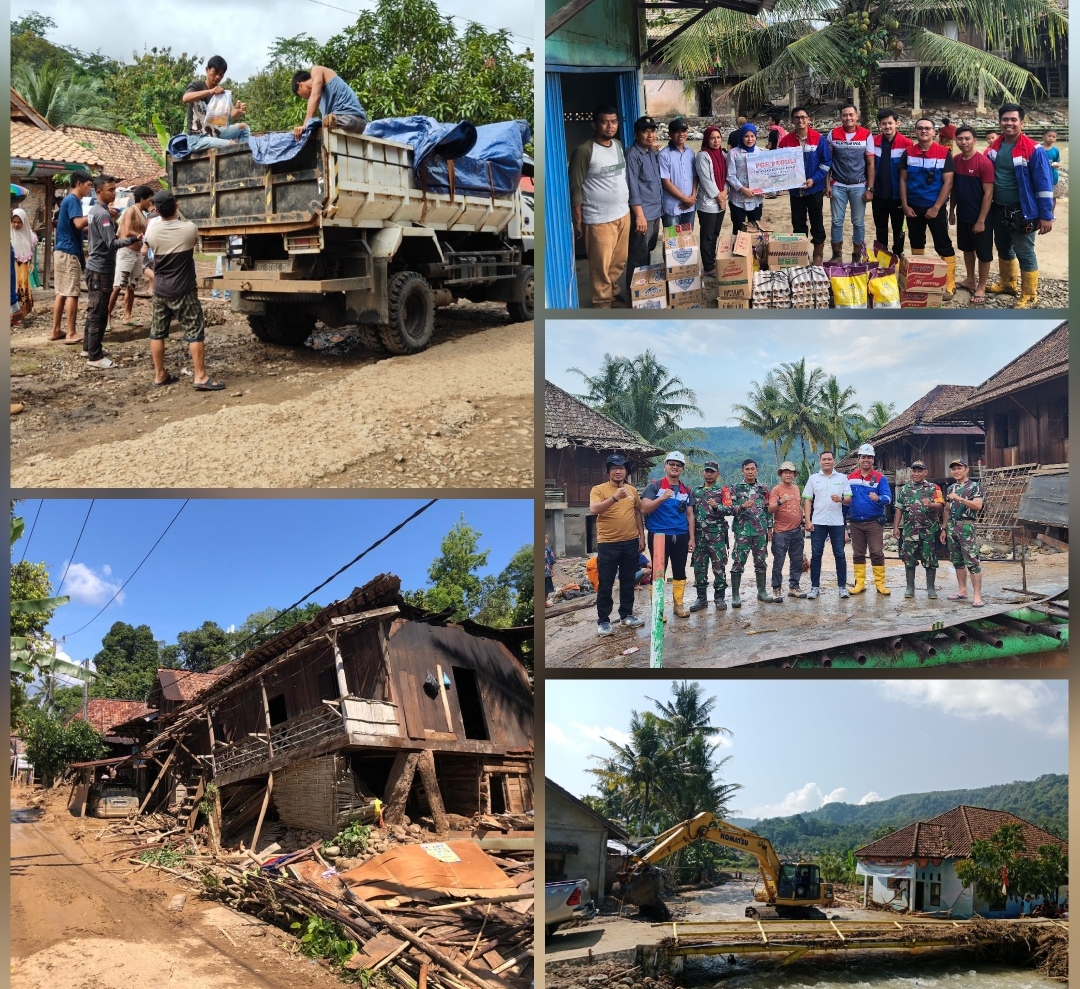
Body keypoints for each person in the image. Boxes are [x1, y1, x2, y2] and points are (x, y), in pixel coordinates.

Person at [144, 189, 225, 391]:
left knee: (157, 333)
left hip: (161, 289)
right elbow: (193, 241)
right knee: (195, 332)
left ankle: (159, 374)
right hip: (184, 289)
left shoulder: (152, 232)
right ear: (176, 206)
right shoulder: (189, 229)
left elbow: (147, 247)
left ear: (156, 210)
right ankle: (200, 376)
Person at [986, 103, 1055, 308]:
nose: (1009, 123)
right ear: (999, 122)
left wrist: (1046, 215)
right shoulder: (995, 146)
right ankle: (1008, 283)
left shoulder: (1033, 149)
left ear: (1021, 122)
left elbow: (1044, 183)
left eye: (1013, 119)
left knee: (1025, 251)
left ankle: (1030, 294)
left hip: (1023, 209)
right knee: (1003, 247)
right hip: (998, 207)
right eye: (1005, 119)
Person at [569, 106, 630, 309]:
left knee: (618, 262)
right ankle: (602, 304)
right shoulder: (585, 151)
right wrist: (578, 220)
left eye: (613, 121)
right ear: (594, 124)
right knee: (600, 266)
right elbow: (575, 188)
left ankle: (612, 294)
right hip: (598, 219)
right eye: (605, 121)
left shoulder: (618, 145)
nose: (610, 126)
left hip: (623, 214)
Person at [83, 175, 142, 368]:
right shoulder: (102, 214)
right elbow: (112, 243)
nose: (114, 193)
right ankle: (95, 356)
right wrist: (134, 240)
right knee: (98, 311)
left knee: (94, 309)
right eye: (110, 190)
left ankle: (89, 348)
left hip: (96, 266)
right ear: (98, 191)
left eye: (115, 190)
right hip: (101, 269)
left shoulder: (96, 211)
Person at [589, 454, 646, 636]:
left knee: (628, 581)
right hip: (608, 544)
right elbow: (594, 509)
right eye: (614, 468)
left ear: (626, 471)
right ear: (608, 471)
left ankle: (626, 615)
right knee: (605, 583)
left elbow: (638, 512)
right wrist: (614, 497)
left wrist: (641, 537)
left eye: (621, 468)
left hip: (630, 543)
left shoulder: (632, 490)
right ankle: (604, 621)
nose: (618, 471)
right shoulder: (598, 490)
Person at [899, 117, 957, 300]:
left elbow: (948, 183)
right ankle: (919, 279)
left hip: (935, 206)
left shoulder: (944, 152)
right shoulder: (908, 153)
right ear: (915, 131)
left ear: (934, 132)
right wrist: (905, 206)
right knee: (916, 241)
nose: (924, 131)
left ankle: (949, 284)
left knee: (943, 244)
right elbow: (903, 179)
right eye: (920, 128)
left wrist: (937, 207)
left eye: (928, 128)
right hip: (914, 207)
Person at [641, 452, 697, 619]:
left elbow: (690, 515)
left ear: (682, 469)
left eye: (678, 465)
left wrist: (692, 538)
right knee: (658, 572)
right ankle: (658, 609)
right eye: (671, 464)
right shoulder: (654, 486)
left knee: (680, 570)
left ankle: (678, 605)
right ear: (665, 466)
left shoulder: (686, 490)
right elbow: (644, 509)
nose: (675, 467)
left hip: (680, 535)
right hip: (658, 535)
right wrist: (662, 498)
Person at [949, 126, 995, 304]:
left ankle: (981, 286)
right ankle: (970, 279)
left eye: (967, 139)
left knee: (983, 253)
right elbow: (954, 188)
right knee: (967, 249)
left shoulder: (984, 163)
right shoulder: (956, 160)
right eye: (960, 139)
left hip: (980, 217)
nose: (963, 142)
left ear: (975, 140)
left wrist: (981, 220)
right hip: (963, 214)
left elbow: (988, 194)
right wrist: (952, 210)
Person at [779, 108, 831, 266]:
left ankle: (818, 255)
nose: (800, 120)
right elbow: (778, 164)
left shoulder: (819, 139)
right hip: (795, 192)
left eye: (803, 117)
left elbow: (826, 163)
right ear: (792, 121)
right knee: (798, 223)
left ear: (809, 119)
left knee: (817, 222)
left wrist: (814, 180)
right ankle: (801, 255)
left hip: (814, 189)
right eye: (796, 118)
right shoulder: (785, 141)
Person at [826, 104, 875, 261]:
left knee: (858, 222)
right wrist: (827, 184)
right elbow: (828, 161)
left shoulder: (866, 135)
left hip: (859, 186)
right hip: (838, 185)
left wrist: (870, 188)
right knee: (837, 221)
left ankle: (856, 255)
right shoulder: (833, 134)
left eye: (851, 115)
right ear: (841, 117)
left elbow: (871, 163)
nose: (848, 118)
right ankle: (837, 255)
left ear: (857, 116)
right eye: (845, 115)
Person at [50, 170, 93, 343]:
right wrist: (95, 213)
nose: (90, 189)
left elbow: (77, 227)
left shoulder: (68, 200)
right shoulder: (73, 200)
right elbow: (78, 223)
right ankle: (71, 333)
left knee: (61, 292)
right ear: (79, 184)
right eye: (89, 185)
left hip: (61, 250)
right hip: (68, 252)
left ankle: (56, 331)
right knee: (72, 293)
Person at [803, 451, 853, 599]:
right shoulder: (813, 479)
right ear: (820, 461)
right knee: (816, 555)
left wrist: (841, 499)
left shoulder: (842, 478)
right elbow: (807, 500)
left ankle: (842, 587)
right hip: (818, 522)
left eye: (829, 459)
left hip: (836, 522)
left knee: (840, 554)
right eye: (824, 459)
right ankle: (814, 587)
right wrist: (807, 520)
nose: (827, 461)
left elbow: (849, 499)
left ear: (833, 461)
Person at [892, 460, 944, 599]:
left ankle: (931, 588)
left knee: (930, 559)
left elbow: (941, 506)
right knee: (909, 559)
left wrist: (931, 505)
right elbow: (899, 508)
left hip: (928, 531)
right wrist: (896, 527)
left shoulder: (934, 488)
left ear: (925, 472)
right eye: (914, 471)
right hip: (910, 531)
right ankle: (910, 587)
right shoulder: (904, 489)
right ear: (911, 473)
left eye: (919, 471)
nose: (916, 473)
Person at [846, 443, 892, 595]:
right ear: (858, 459)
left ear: (873, 460)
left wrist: (878, 498)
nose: (866, 460)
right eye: (863, 457)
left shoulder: (880, 478)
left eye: (869, 457)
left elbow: (888, 498)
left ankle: (880, 584)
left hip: (874, 521)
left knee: (877, 552)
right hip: (855, 522)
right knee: (858, 553)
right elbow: (846, 500)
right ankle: (860, 583)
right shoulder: (850, 478)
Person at [625, 116, 664, 292]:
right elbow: (632, 187)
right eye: (645, 131)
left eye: (653, 131)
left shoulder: (650, 153)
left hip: (656, 211)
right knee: (638, 254)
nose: (650, 135)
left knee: (648, 249)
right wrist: (639, 215)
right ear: (635, 134)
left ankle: (644, 286)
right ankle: (635, 292)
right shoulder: (633, 155)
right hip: (644, 213)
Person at [729, 459, 774, 607]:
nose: (750, 471)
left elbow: (768, 510)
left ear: (757, 470)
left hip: (760, 531)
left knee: (761, 562)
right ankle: (735, 595)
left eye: (752, 469)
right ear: (742, 471)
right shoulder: (735, 488)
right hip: (742, 531)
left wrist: (769, 528)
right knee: (738, 562)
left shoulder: (763, 488)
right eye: (747, 469)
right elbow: (730, 509)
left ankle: (762, 592)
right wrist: (742, 506)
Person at [689, 460, 733, 612]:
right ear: (703, 472)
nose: (709, 474)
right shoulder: (695, 491)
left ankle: (719, 598)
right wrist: (691, 538)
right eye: (707, 471)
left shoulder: (723, 491)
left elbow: (730, 510)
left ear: (717, 474)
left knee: (719, 568)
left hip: (717, 537)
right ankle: (701, 599)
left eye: (712, 471)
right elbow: (690, 514)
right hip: (699, 537)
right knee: (699, 569)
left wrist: (717, 506)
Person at [940, 457, 984, 607]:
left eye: (959, 468)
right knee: (957, 561)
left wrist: (959, 499)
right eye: (954, 469)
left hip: (966, 526)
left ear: (966, 469)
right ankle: (962, 590)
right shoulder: (951, 488)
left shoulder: (974, 486)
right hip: (952, 527)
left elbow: (978, 506)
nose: (956, 471)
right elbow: (946, 509)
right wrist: (944, 528)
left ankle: (977, 595)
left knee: (972, 562)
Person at [107, 185, 153, 328]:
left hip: (136, 253)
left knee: (131, 286)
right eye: (149, 201)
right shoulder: (130, 212)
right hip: (126, 252)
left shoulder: (141, 213)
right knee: (118, 286)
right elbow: (126, 232)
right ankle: (106, 318)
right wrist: (140, 236)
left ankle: (127, 316)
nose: (150, 204)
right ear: (142, 199)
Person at [183, 55, 249, 152]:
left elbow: (233, 114)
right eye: (215, 73)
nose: (218, 77)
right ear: (207, 70)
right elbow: (185, 98)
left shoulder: (221, 93)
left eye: (221, 74)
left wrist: (238, 110)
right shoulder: (197, 85)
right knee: (232, 145)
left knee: (244, 128)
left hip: (214, 133)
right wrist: (211, 91)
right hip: (197, 138)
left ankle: (244, 156)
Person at [871, 108, 914, 255]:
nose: (887, 127)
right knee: (880, 227)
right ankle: (882, 255)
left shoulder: (907, 144)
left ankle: (897, 253)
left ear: (897, 123)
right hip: (878, 194)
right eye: (884, 124)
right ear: (879, 125)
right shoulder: (873, 142)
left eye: (890, 123)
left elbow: (910, 172)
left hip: (898, 196)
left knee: (899, 228)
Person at [291, 66, 368, 139]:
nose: (305, 98)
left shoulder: (316, 70)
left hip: (347, 118)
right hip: (360, 124)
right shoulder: (322, 98)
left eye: (301, 95)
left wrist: (305, 125)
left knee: (311, 132)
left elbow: (315, 96)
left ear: (300, 85)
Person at [768, 461, 806, 600]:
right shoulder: (776, 489)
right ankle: (776, 589)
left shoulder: (796, 488)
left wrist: (802, 519)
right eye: (786, 472)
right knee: (779, 561)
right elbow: (770, 509)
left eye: (791, 472)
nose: (788, 475)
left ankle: (794, 587)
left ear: (794, 474)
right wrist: (781, 501)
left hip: (796, 530)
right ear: (781, 474)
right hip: (781, 532)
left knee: (796, 560)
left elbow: (798, 506)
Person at [695, 126, 728, 278]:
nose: (716, 141)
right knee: (707, 235)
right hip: (708, 203)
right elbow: (706, 180)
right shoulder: (703, 156)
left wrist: (725, 192)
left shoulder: (722, 154)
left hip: (721, 200)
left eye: (718, 137)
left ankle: (712, 261)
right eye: (712, 138)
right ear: (707, 140)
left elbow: (727, 176)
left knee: (715, 233)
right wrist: (719, 197)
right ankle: (708, 267)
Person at [726, 123, 765, 236]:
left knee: (755, 228)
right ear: (741, 136)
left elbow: (765, 174)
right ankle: (738, 252)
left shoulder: (761, 152)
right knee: (739, 229)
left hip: (756, 198)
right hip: (738, 199)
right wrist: (743, 189)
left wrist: (764, 188)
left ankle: (754, 252)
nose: (749, 139)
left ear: (756, 137)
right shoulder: (733, 153)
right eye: (746, 136)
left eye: (752, 136)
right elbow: (730, 175)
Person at [658, 118, 697, 228]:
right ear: (670, 134)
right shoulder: (663, 155)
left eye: (684, 131)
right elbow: (666, 183)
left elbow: (695, 177)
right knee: (672, 242)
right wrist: (685, 199)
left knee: (687, 241)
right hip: (672, 208)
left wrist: (693, 196)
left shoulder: (690, 152)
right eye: (677, 131)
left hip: (690, 207)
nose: (681, 134)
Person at [10, 208, 37, 316]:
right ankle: (12, 314)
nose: (16, 225)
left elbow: (31, 251)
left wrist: (32, 263)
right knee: (12, 288)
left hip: (24, 268)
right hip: (12, 267)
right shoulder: (9, 235)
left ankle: (22, 314)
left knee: (23, 289)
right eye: (14, 222)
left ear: (24, 222)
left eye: (19, 222)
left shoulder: (30, 236)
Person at [1041, 128, 1061, 202]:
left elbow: (1058, 162)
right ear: (1043, 137)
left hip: (1053, 177)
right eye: (1049, 136)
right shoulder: (1038, 148)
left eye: (1053, 137)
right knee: (1041, 196)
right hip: (1041, 176)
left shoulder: (1055, 150)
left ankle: (1051, 213)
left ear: (1056, 139)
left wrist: (1057, 165)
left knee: (1053, 197)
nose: (1051, 138)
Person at [544, 534, 556, 607]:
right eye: (545, 538)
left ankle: (544, 602)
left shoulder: (548, 549)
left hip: (547, 573)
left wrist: (553, 570)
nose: (547, 540)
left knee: (547, 589)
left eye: (547, 538)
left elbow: (552, 560)